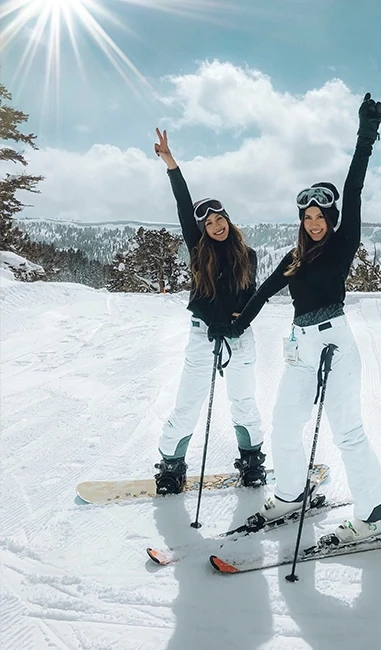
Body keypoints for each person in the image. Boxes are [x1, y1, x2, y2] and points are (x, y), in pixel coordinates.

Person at [208, 94, 381, 543]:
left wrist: (365, 137)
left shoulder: (343, 242)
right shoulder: (295, 257)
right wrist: (235, 325)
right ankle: (292, 495)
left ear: (331, 219)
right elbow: (264, 292)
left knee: (347, 430)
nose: (314, 223)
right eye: (308, 216)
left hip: (335, 345)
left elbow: (354, 189)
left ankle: (378, 513)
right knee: (285, 424)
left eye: (320, 216)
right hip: (300, 347)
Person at [153, 128, 265, 495]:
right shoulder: (197, 247)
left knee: (243, 401)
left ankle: (251, 460)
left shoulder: (246, 255)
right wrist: (171, 164)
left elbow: (251, 297)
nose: (215, 227)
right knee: (188, 402)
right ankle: (171, 465)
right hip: (202, 333)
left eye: (220, 220)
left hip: (238, 337)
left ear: (228, 221)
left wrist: (238, 322)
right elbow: (183, 204)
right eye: (209, 224)